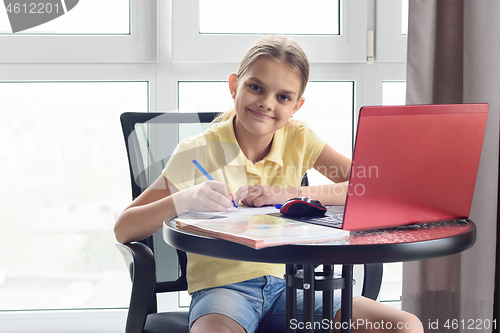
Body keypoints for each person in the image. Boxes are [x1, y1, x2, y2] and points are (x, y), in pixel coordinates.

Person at [114, 35, 423, 333]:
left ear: (296, 106)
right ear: (235, 85)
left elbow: (370, 187)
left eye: (283, 97)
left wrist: (290, 193)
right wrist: (183, 199)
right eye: (256, 87)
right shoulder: (197, 151)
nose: (266, 103)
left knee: (404, 326)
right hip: (222, 294)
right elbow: (124, 228)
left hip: (293, 288)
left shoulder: (299, 138)